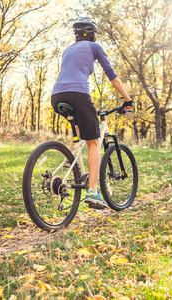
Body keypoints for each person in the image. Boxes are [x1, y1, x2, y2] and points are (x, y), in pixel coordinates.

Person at [51, 17, 132, 210]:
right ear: (93, 34)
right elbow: (112, 75)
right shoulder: (94, 47)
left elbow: (71, 76)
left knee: (77, 126)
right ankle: (93, 192)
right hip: (78, 93)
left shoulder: (67, 50)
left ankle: (71, 163)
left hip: (57, 95)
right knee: (94, 142)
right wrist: (127, 100)